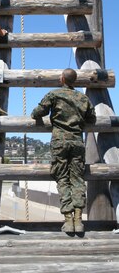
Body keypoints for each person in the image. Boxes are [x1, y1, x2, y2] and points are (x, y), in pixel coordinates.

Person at [31, 68, 96, 233]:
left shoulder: (54, 95)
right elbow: (92, 119)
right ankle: (79, 220)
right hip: (77, 142)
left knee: (62, 178)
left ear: (62, 79)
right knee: (78, 179)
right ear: (74, 81)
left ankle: (68, 219)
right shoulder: (84, 98)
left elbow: (37, 113)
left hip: (60, 142)